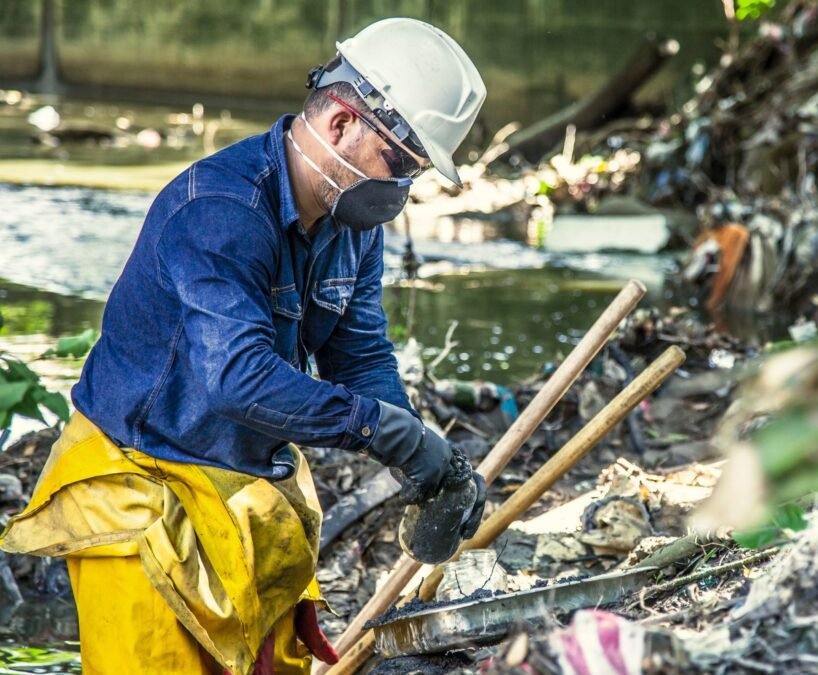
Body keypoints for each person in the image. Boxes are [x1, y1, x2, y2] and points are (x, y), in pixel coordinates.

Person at [0, 17, 487, 675]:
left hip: (246, 483)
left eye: (415, 173)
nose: (401, 188)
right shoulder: (220, 210)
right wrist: (380, 430)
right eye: (398, 163)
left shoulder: (352, 224)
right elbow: (239, 378)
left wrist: (421, 453)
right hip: (142, 486)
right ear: (342, 123)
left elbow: (360, 354)